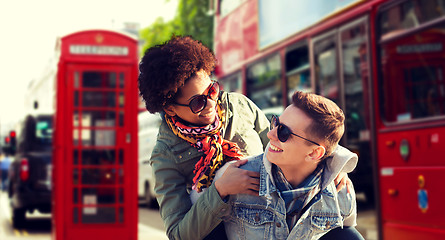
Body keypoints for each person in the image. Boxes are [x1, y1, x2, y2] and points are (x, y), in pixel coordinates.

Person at [138, 35, 353, 240]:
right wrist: (220, 190)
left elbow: (287, 144)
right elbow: (179, 234)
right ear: (170, 108)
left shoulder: (239, 106)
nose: (212, 104)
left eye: (212, 90)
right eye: (197, 103)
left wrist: (331, 165)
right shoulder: (165, 155)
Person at [219, 91, 364, 240]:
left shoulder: (341, 191)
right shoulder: (234, 177)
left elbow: (346, 233)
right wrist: (219, 190)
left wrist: (337, 167)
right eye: (275, 123)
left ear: (314, 153)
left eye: (284, 133)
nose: (270, 135)